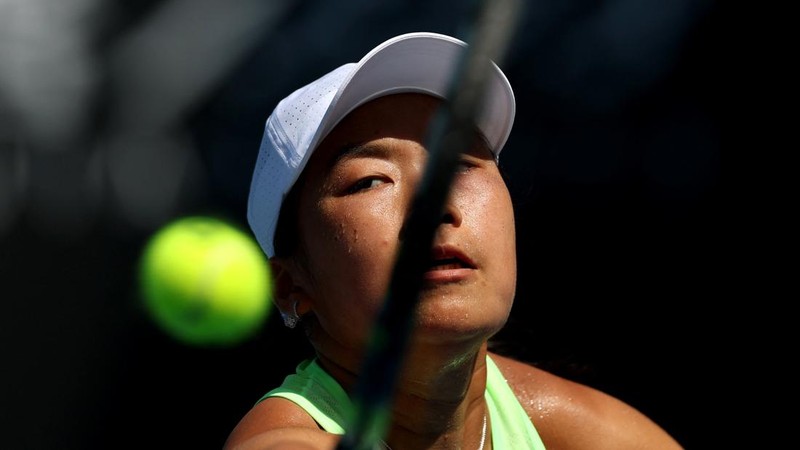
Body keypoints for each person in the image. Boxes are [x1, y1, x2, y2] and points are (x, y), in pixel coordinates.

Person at [225, 32, 683, 450]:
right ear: (291, 285)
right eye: (369, 181)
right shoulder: (279, 442)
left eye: (460, 163)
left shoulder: (588, 433)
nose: (434, 204)